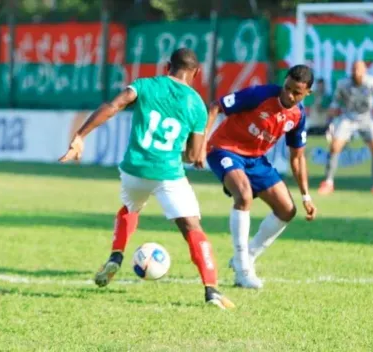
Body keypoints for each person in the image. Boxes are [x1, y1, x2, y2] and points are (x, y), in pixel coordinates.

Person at [59, 48, 234, 309]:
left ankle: (116, 255)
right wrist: (194, 154)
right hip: (167, 174)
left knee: (130, 208)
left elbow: (113, 106)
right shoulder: (196, 104)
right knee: (192, 229)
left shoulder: (143, 85)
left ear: (167, 67)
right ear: (196, 73)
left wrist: (80, 136)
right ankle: (211, 290)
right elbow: (193, 155)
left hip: (133, 172)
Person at [198, 65, 317, 289]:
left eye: (296, 93)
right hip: (225, 149)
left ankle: (247, 256)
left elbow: (297, 158)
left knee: (286, 210)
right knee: (243, 196)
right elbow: (216, 106)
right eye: (287, 88)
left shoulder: (298, 116)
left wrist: (306, 196)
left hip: (256, 160)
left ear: (307, 94)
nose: (289, 95)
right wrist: (202, 143)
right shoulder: (260, 95)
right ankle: (243, 271)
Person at [318, 61, 373, 197]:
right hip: (348, 117)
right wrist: (329, 123)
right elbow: (335, 103)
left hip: (366, 118)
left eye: (359, 70)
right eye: (354, 70)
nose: (356, 73)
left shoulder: (372, 83)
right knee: (335, 147)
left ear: (364, 71)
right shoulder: (343, 84)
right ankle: (328, 182)